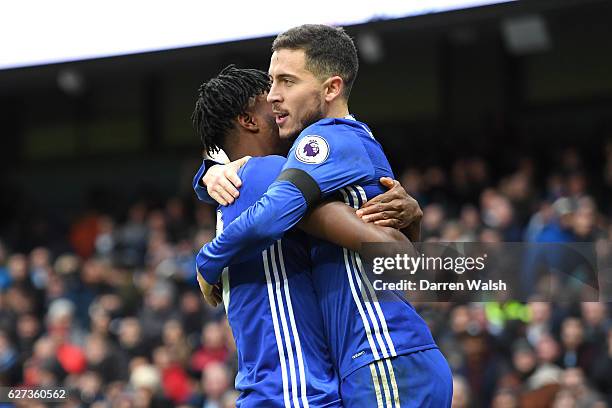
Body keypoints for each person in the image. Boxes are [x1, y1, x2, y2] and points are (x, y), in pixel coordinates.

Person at [195, 25, 452, 407]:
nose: (275, 97)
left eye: (286, 82)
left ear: (330, 88)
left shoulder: (322, 142)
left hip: (378, 355)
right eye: (270, 86)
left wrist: (206, 261)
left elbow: (398, 256)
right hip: (367, 362)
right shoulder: (271, 169)